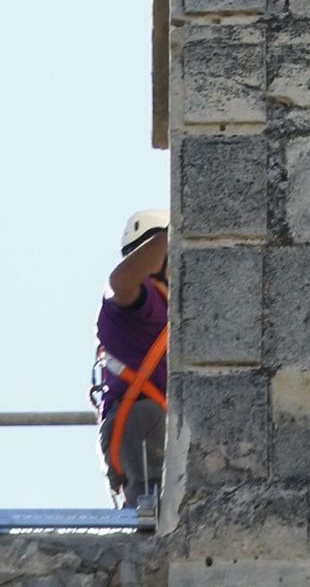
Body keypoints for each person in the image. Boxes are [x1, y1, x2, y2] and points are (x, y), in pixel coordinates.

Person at [95, 207, 169, 507]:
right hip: (141, 418)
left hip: (151, 419)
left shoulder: (170, 307)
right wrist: (175, 231)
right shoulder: (142, 297)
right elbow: (121, 283)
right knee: (154, 514)